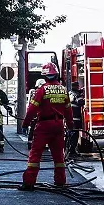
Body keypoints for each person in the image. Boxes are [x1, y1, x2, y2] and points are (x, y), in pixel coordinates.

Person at [20, 62, 72, 190]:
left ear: (44, 76)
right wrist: (70, 126)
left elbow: (32, 109)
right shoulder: (63, 90)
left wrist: (25, 124)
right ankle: (60, 182)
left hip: (43, 125)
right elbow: (68, 111)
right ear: (56, 75)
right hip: (59, 125)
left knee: (35, 154)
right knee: (59, 156)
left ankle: (29, 183)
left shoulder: (42, 90)